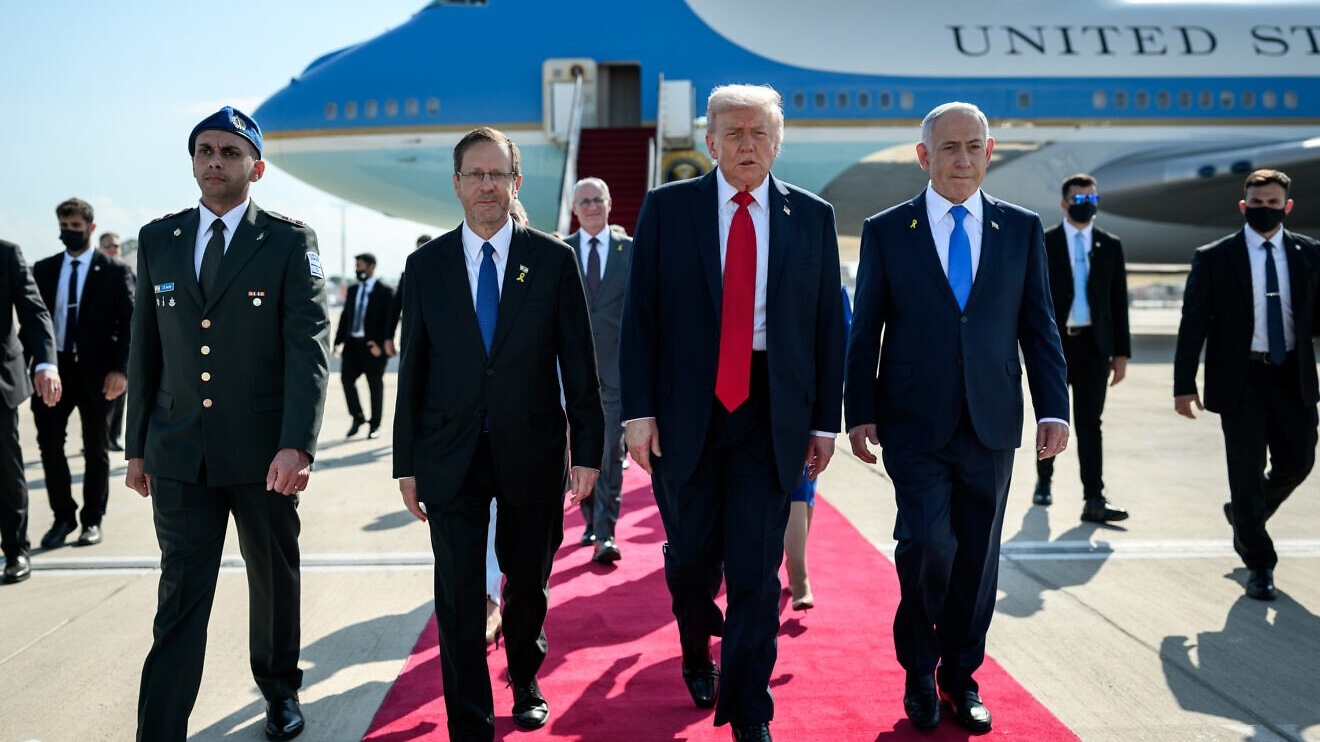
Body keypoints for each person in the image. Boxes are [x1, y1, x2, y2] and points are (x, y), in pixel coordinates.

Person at [620, 84, 845, 742]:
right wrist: (638, 411)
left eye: (760, 134)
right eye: (734, 133)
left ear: (778, 142)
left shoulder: (812, 217)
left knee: (754, 571)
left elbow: (829, 327)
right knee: (692, 562)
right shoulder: (667, 211)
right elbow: (641, 319)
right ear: (710, 142)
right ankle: (695, 648)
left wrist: (824, 421)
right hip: (686, 412)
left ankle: (750, 710)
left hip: (771, 416)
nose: (748, 145)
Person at [844, 101, 1069, 734]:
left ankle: (959, 678)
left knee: (977, 559)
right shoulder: (889, 230)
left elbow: (1039, 326)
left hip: (993, 421)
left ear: (989, 151)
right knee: (928, 546)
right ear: (924, 156)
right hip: (913, 421)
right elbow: (866, 331)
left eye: (973, 146)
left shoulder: (1021, 230)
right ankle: (918, 670)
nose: (961, 159)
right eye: (948, 148)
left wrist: (1056, 406)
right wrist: (858, 410)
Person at [126, 106, 330, 741]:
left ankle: (279, 691)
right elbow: (145, 349)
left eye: (230, 152)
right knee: (180, 595)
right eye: (205, 150)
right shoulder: (159, 239)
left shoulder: (290, 242)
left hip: (264, 454)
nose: (215, 160)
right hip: (179, 452)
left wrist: (297, 443)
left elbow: (308, 350)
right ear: (193, 162)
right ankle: (160, 726)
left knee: (271, 581)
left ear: (256, 167)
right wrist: (136, 448)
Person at [393, 126, 603, 741]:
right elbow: (415, 372)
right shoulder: (425, 266)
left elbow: (579, 365)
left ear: (516, 183)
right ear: (456, 184)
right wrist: (406, 464)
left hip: (532, 450)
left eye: (497, 174)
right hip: (449, 453)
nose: (486, 185)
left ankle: (525, 670)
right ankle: (470, 723)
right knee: (458, 596)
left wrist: (586, 451)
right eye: (474, 174)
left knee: (528, 584)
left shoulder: (553, 260)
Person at [1174, 168, 1320, 602]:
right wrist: (1184, 384)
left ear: (1287, 207)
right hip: (1241, 380)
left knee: (1299, 462)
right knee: (1246, 470)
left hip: (1293, 374)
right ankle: (1259, 562)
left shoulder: (1311, 255)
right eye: (1256, 204)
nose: (1263, 210)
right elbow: (1193, 324)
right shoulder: (1215, 257)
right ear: (1243, 206)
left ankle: (1243, 514)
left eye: (1272, 204)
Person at [31, 199, 134, 549]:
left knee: (95, 448)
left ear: (90, 228)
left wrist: (121, 370)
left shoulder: (115, 271)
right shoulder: (43, 270)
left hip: (97, 374)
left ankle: (92, 520)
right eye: (64, 227)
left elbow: (130, 324)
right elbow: (32, 323)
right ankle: (62, 517)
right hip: (52, 372)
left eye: (75, 227)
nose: (68, 233)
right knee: (49, 446)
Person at [1034, 174, 1132, 522]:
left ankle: (1094, 497)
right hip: (1054, 348)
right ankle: (1043, 482)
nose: (1085, 205)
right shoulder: (1044, 241)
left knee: (1091, 422)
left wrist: (1121, 353)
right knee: (1052, 417)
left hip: (1094, 346)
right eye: (1079, 199)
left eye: (1091, 199)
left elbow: (1118, 302)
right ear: (1064, 203)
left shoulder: (1109, 245)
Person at [565, 177, 631, 564]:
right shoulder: (561, 251)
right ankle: (589, 520)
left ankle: (606, 532)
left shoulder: (630, 251)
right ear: (575, 209)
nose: (591, 206)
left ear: (609, 204)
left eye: (597, 200)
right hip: (571, 374)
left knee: (608, 452)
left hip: (615, 373)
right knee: (580, 451)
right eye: (584, 201)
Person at [0, 240, 60, 584]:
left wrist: (46, 364)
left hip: (0, 383)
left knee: (5, 473)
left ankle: (15, 550)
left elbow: (34, 311)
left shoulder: (6, 253)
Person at [334, 252, 394, 439]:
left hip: (373, 348)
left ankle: (374, 425)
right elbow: (346, 317)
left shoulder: (385, 291)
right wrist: (337, 342)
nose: (357, 269)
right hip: (353, 345)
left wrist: (381, 345)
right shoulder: (353, 290)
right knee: (346, 380)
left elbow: (390, 321)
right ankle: (357, 417)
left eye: (360, 265)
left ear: (371, 266)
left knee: (375, 386)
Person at [98, 231, 133, 452]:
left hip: (123, 346)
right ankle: (98, 437)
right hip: (99, 347)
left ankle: (114, 436)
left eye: (116, 246)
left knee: (120, 396)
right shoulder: (93, 274)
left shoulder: (129, 274)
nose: (113, 248)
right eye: (108, 245)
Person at [383, 233, 430, 359]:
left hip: (437, 335)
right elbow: (396, 308)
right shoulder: (407, 275)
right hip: (412, 334)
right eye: (419, 249)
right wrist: (389, 337)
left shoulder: (444, 274)